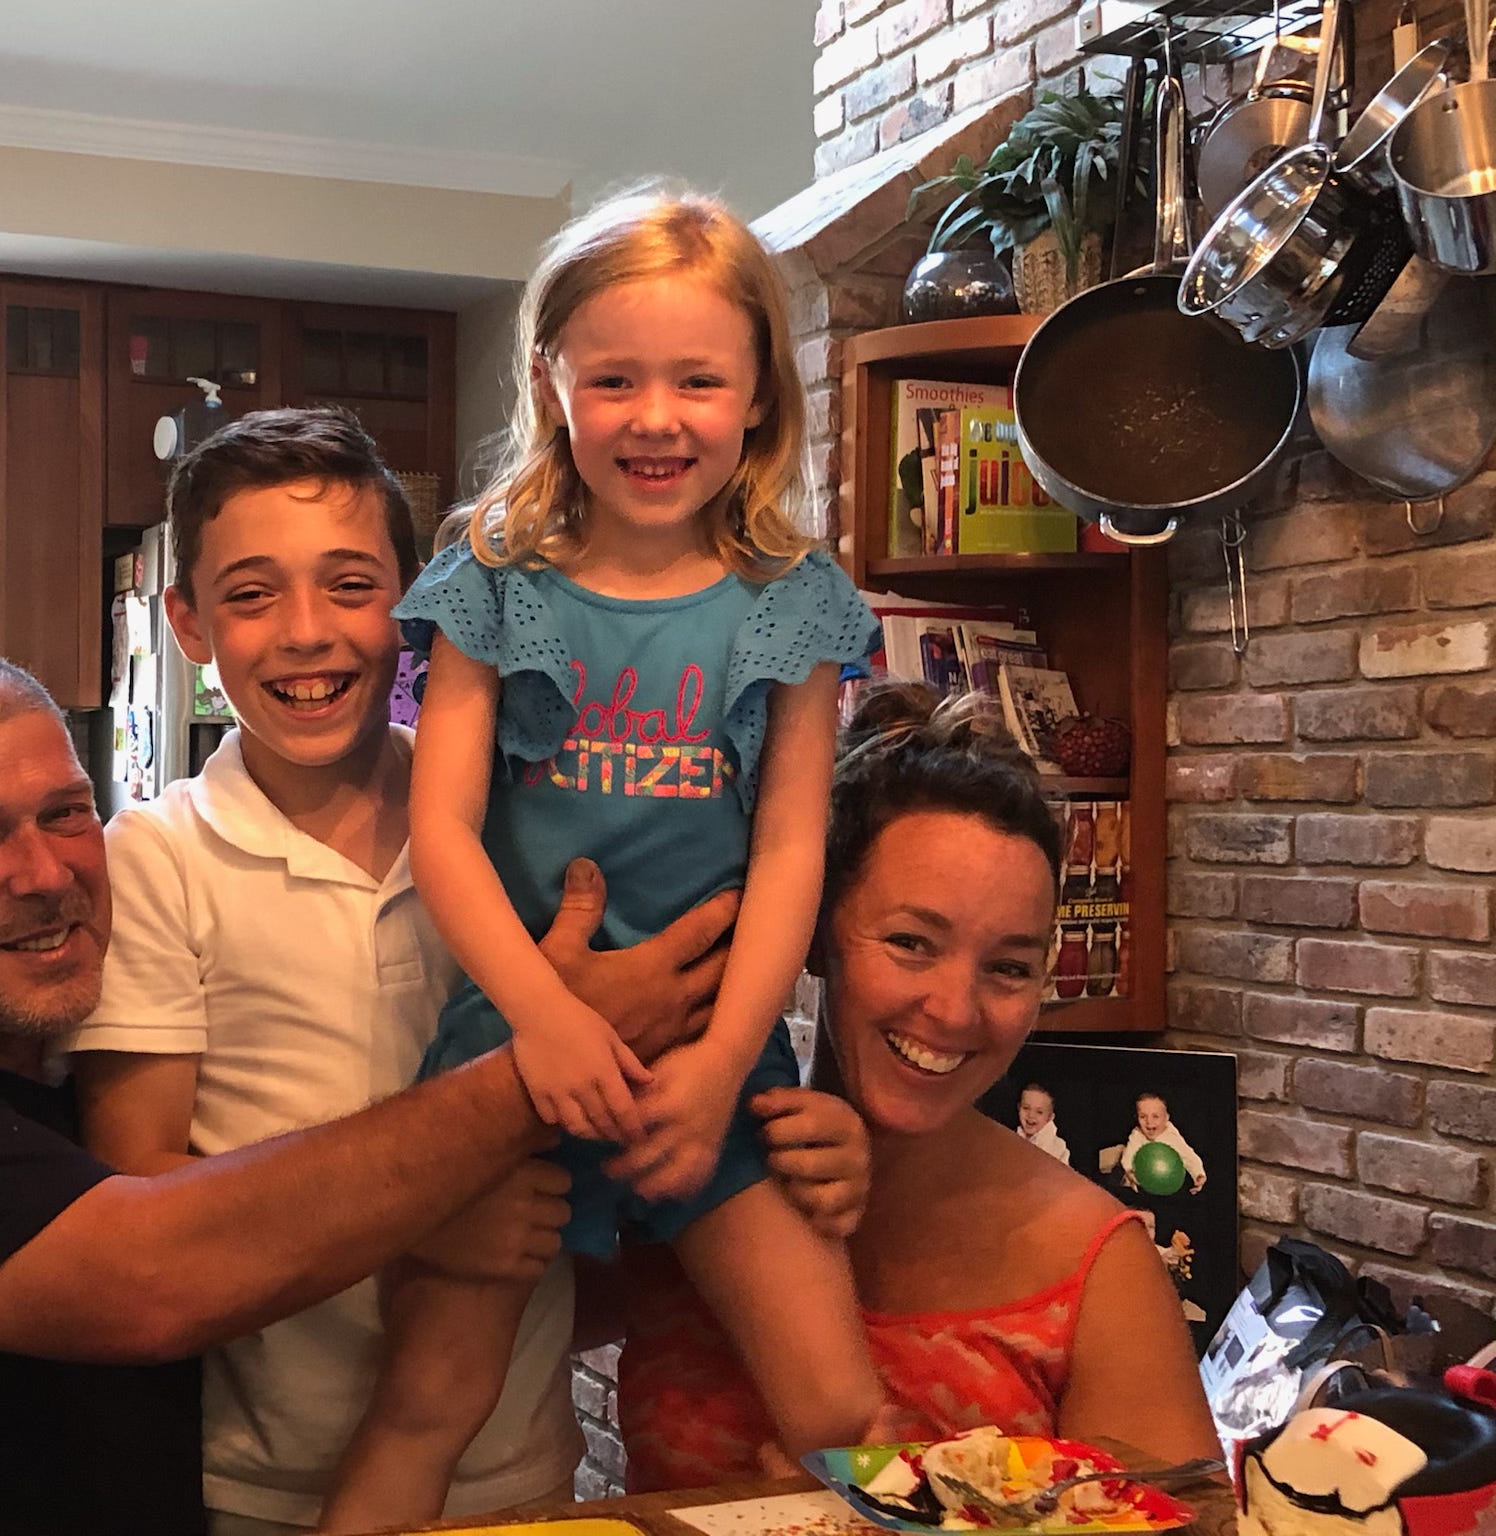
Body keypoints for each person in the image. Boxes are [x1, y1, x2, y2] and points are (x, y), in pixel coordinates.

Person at [0, 648, 733, 1536]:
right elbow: (152, 1280)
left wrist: (758, 1164)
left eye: (65, 812)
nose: (46, 873)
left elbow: (320, 1270)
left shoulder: (92, 1081)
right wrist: (551, 1059)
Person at [321, 183, 884, 1532]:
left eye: (698, 380)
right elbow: (443, 832)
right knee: (428, 1403)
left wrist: (723, 1064)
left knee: (839, 1410)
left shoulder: (795, 600)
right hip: (515, 1047)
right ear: (549, 383)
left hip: (715, 1057)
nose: (654, 417)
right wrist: (547, 1028)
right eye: (614, 379)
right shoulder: (491, 577)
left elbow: (792, 846)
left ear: (758, 393)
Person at [69, 410, 587, 1532]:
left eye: (350, 586)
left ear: (415, 602)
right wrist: (414, 1218)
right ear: (189, 623)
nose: (306, 633)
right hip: (258, 1490)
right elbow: (138, 1197)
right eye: (252, 595)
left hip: (527, 1467)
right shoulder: (156, 859)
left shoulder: (514, 823)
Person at [615, 685, 1221, 1491]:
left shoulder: (1097, 1273)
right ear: (810, 933)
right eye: (911, 943)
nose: (955, 1010)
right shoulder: (698, 1166)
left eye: (1009, 968)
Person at [1124, 1091, 1208, 1194]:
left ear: (1166, 1118)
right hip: (1136, 1181)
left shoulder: (1171, 1136)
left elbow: (1188, 1156)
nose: (1149, 1122)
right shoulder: (1137, 1134)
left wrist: (1199, 1174)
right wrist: (1130, 1171)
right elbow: (1129, 1155)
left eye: (1155, 1116)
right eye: (1142, 1116)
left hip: (1160, 1185)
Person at [1017, 1082, 1072, 1164]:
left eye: (1039, 1112)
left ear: (1050, 1117)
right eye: (1026, 1108)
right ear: (1018, 1108)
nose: (1031, 1115)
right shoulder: (1011, 1137)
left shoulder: (1058, 1147)